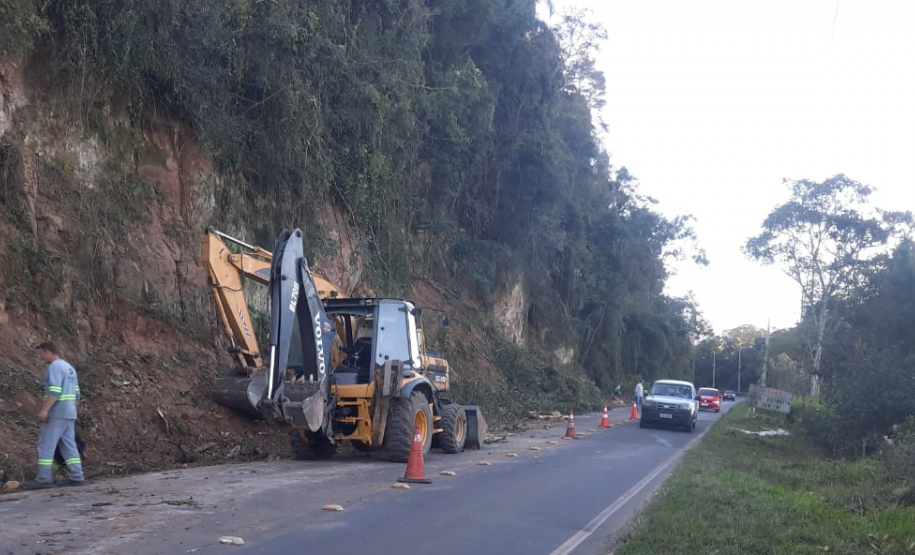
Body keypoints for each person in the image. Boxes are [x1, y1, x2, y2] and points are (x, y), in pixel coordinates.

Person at [21, 342, 85, 489]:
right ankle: (77, 476)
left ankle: (44, 479)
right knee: (69, 446)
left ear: (48, 352)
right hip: (69, 413)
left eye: (41, 353)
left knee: (45, 446)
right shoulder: (70, 368)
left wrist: (44, 410)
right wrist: (71, 410)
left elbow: (54, 391)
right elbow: (76, 393)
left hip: (57, 413)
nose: (41, 357)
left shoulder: (55, 367)